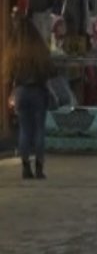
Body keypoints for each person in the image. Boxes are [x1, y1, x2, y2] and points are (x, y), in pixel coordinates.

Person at [8, 17, 53, 179]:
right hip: (38, 91)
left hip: (21, 91)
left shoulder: (14, 50)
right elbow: (50, 70)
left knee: (24, 130)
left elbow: (9, 74)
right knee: (39, 129)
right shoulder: (40, 49)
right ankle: (39, 168)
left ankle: (25, 167)